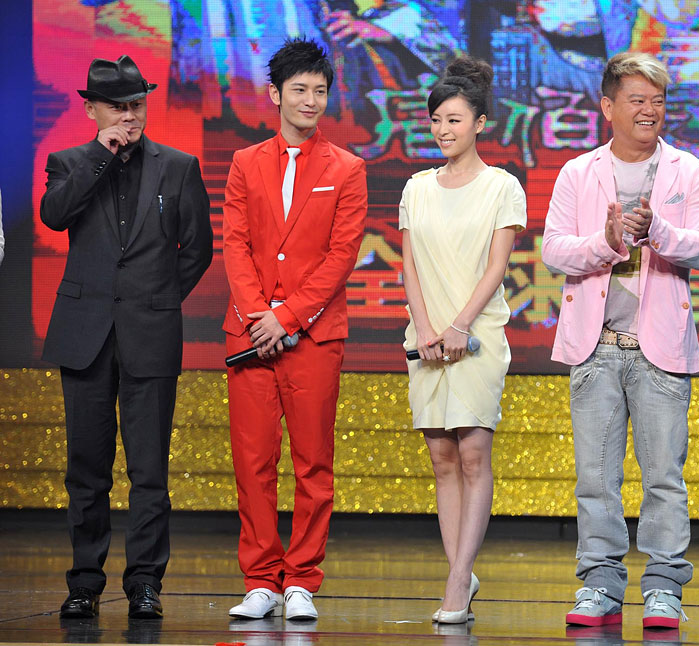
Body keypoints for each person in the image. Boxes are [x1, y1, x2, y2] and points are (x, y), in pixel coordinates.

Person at [541, 52, 699, 630]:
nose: (649, 111)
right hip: (595, 347)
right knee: (596, 478)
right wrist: (608, 241)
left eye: (657, 101)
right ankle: (599, 584)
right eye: (637, 100)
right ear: (607, 107)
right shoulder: (578, 172)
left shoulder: (688, 171)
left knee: (664, 476)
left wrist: (657, 231)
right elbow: (554, 250)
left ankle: (664, 587)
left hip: (659, 348)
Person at [40, 55, 213, 619]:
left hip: (150, 333)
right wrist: (101, 155)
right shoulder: (68, 163)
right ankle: (84, 583)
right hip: (84, 335)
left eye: (137, 105)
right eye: (117, 107)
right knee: (86, 470)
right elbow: (54, 216)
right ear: (91, 109)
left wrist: (157, 298)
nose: (130, 116)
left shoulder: (178, 166)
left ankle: (144, 583)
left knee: (149, 471)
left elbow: (198, 248)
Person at [222, 37, 368, 621]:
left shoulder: (347, 168)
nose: (311, 100)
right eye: (300, 89)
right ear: (275, 94)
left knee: (313, 462)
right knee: (253, 462)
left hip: (314, 336)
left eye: (320, 91)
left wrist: (285, 318)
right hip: (249, 335)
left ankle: (302, 578)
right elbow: (235, 244)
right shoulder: (244, 162)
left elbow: (342, 256)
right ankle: (261, 579)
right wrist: (259, 316)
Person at [399, 56, 526, 625]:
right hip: (426, 336)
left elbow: (497, 267)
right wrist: (427, 328)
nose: (443, 129)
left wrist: (458, 327)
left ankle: (457, 578)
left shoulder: (502, 186)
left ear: (480, 123)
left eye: (454, 120)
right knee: (441, 456)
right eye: (436, 121)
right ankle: (460, 571)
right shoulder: (416, 187)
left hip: (477, 336)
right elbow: (408, 267)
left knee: (473, 452)